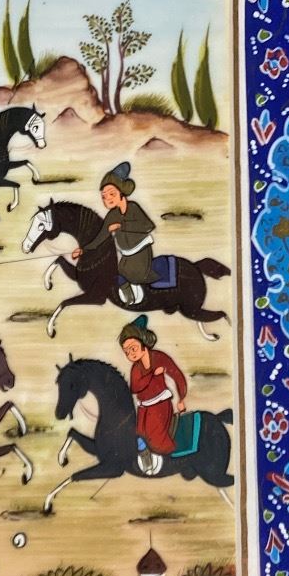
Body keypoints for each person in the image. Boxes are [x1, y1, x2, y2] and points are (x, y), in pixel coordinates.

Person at [72, 161, 156, 306]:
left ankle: (135, 296)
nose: (108, 199)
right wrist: (83, 250)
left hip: (141, 254)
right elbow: (100, 238)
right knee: (115, 274)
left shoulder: (133, 207)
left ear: (121, 192)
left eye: (111, 193)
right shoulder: (112, 215)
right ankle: (129, 295)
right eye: (104, 196)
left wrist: (122, 226)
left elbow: (148, 226)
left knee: (132, 274)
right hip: (126, 256)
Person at [119, 315, 187, 476]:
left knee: (155, 437)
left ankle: (171, 461)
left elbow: (177, 375)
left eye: (133, 348)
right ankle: (146, 458)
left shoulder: (159, 358)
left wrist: (181, 398)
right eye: (126, 352)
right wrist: (152, 374)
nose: (131, 354)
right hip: (144, 408)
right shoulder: (136, 368)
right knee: (138, 434)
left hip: (160, 406)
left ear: (143, 342)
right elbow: (135, 387)